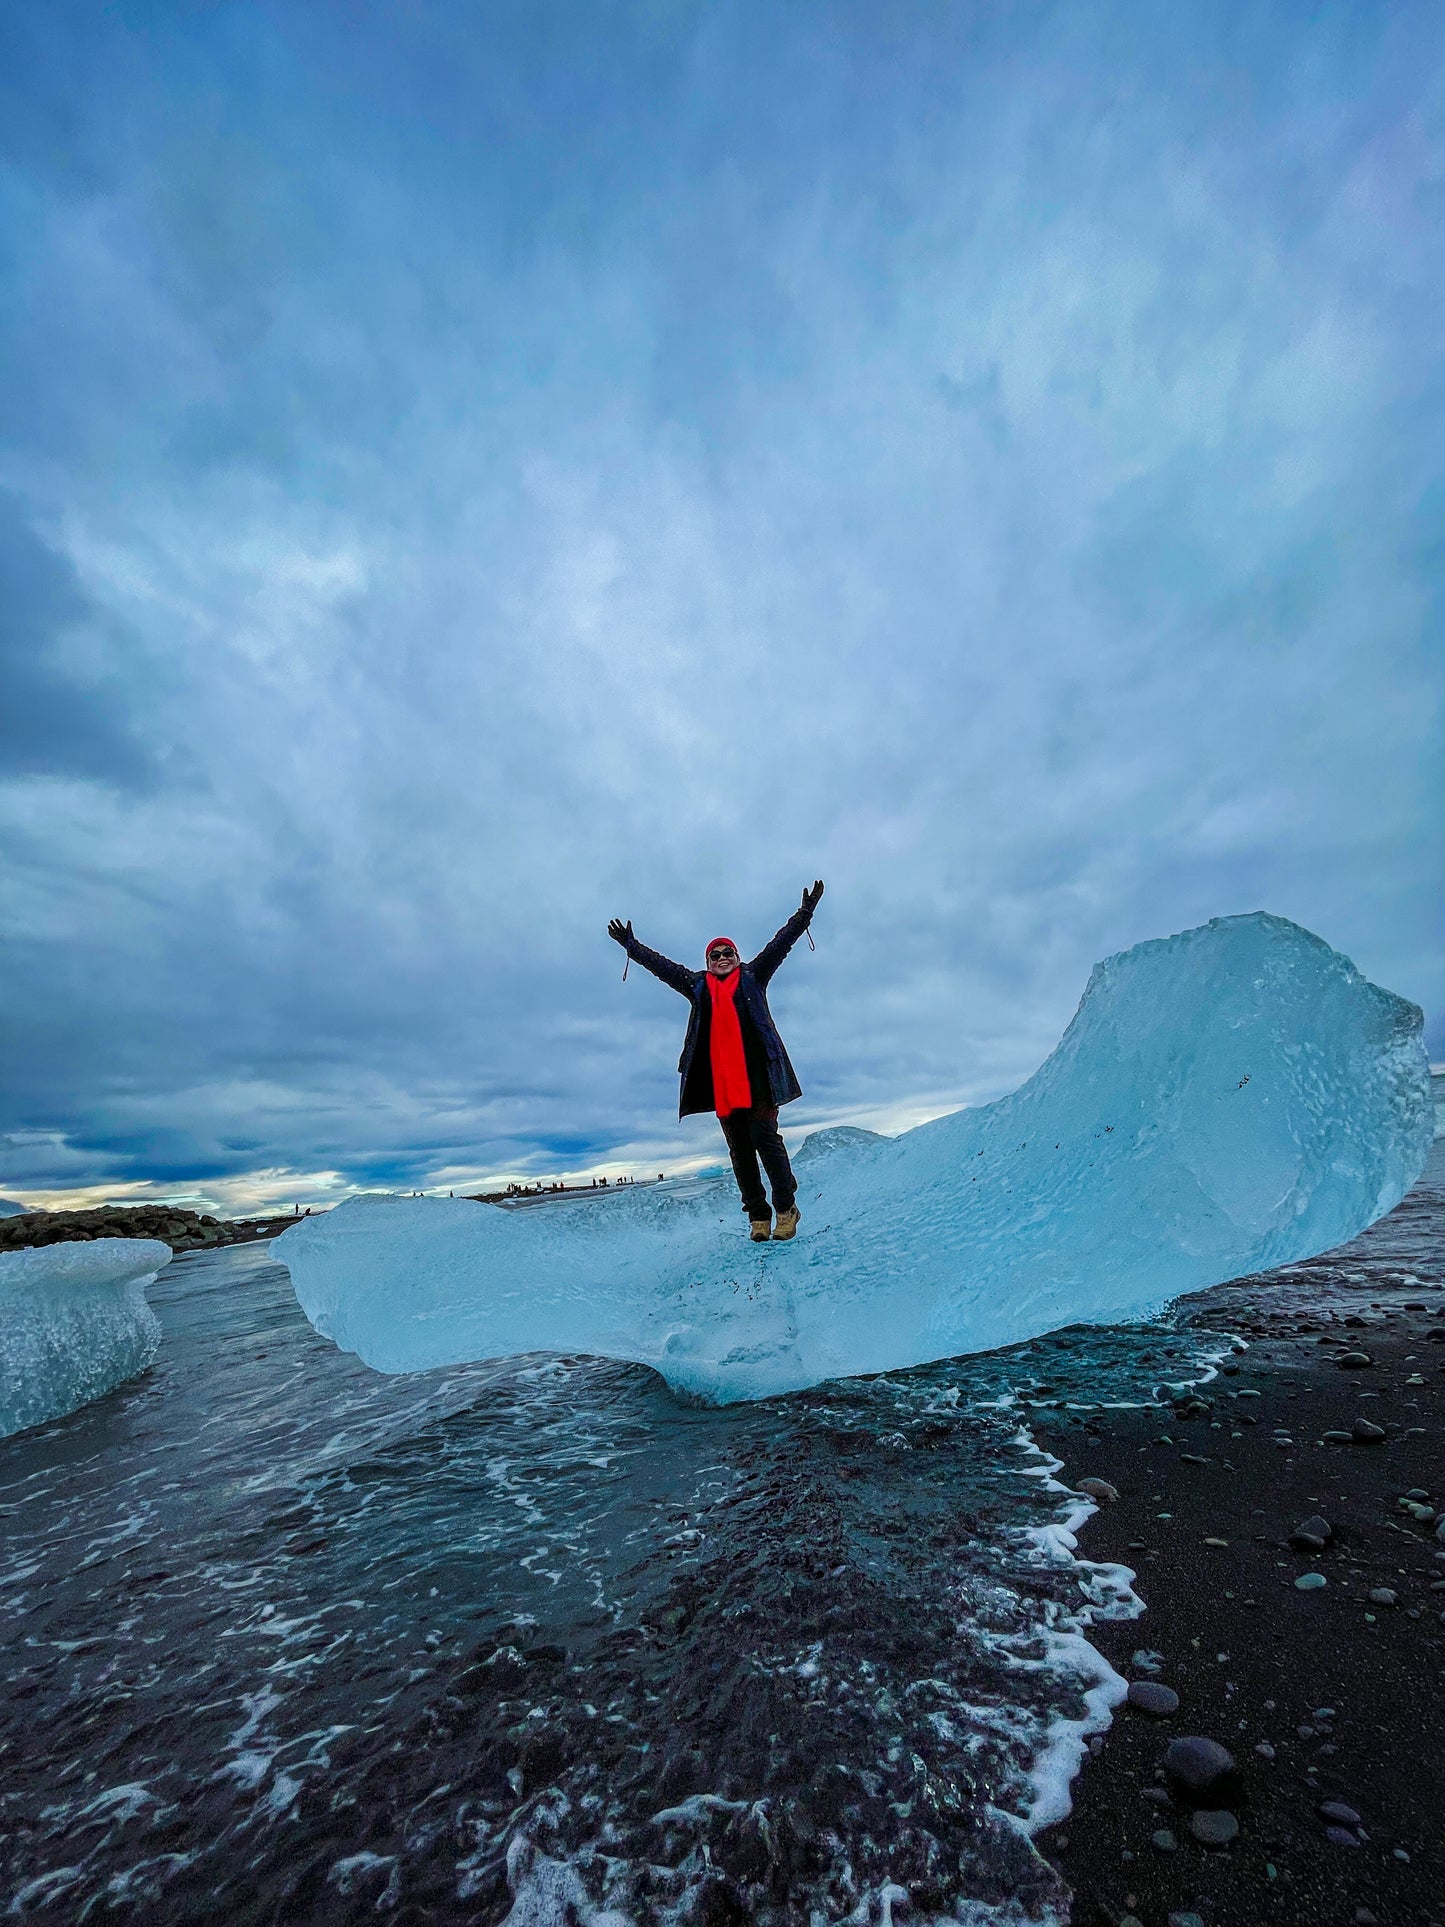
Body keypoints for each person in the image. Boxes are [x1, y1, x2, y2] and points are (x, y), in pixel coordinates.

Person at [608, 882, 823, 1241]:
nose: (722, 958)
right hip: (722, 1086)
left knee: (767, 1144)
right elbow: (662, 967)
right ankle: (758, 1217)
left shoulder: (754, 976)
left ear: (737, 957)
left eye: (728, 952)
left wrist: (804, 914)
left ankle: (786, 1208)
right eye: (715, 955)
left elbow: (780, 943)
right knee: (740, 1153)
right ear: (707, 962)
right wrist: (632, 946)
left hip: (759, 1081)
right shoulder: (697, 986)